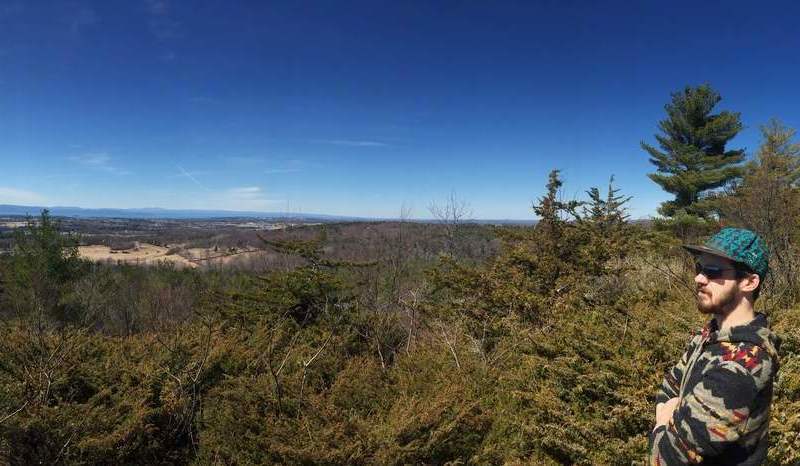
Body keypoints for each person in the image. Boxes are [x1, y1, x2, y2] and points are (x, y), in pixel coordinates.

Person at [649, 228, 780, 465]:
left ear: (750, 282)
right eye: (700, 268)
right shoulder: (711, 334)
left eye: (712, 271)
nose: (699, 278)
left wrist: (663, 421)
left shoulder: (742, 364)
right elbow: (668, 388)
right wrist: (668, 415)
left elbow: (665, 457)